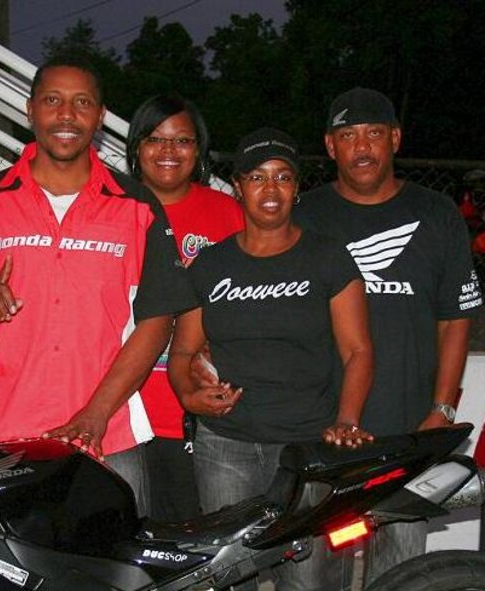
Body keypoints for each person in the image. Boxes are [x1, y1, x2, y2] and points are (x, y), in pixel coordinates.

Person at [0, 57, 192, 515]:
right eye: (52, 101)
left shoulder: (137, 206)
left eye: (81, 102)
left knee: (116, 579)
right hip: (5, 442)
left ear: (100, 116)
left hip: (110, 439)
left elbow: (157, 320)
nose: (66, 115)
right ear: (30, 110)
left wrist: (95, 415)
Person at [168, 127, 374, 591]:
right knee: (230, 580)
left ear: (296, 187)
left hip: (307, 449)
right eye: (257, 177)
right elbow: (181, 351)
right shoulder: (210, 265)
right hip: (225, 449)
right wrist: (189, 394)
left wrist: (347, 418)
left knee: (308, 581)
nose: (270, 188)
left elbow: (358, 350)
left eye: (282, 177)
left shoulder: (327, 258)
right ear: (238, 186)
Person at [295, 87, 483, 584]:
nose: (362, 147)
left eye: (374, 133)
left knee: (404, 574)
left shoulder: (439, 213)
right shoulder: (302, 215)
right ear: (330, 146)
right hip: (322, 431)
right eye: (348, 135)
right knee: (312, 576)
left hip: (409, 431)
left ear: (395, 139)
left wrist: (442, 410)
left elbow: (455, 319)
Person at [126, 94, 244, 522]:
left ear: (200, 150)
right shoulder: (112, 209)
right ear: (136, 148)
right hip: (127, 410)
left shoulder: (228, 212)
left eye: (183, 141)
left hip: (205, 410)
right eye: (155, 139)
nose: (169, 152)